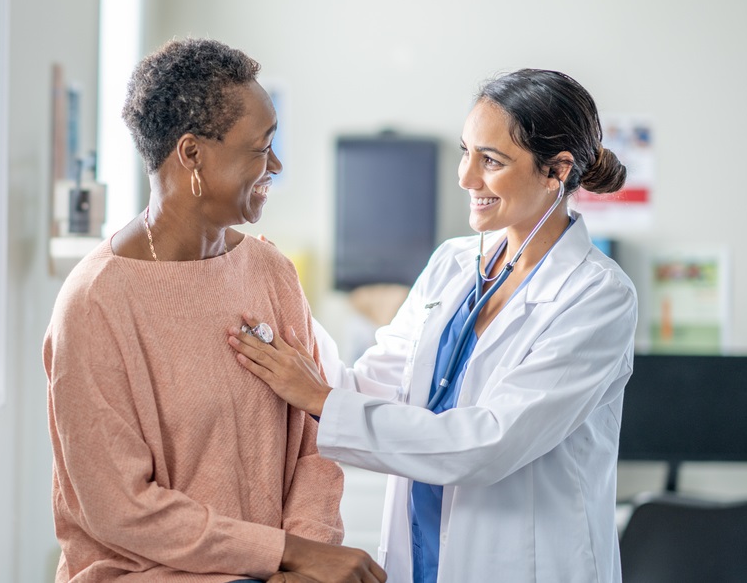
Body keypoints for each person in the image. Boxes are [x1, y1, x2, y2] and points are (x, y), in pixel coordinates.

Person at [228, 69, 638, 582]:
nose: (467, 177)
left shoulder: (597, 295)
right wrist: (286, 298)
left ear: (556, 171)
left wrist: (320, 401)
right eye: (467, 152)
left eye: (491, 161)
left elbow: (489, 443)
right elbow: (366, 386)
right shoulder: (453, 264)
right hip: (423, 557)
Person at [44, 38, 386, 583]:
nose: (275, 163)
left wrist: (305, 556)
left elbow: (312, 446)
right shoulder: (95, 304)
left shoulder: (271, 272)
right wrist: (284, 553)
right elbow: (122, 507)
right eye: (260, 147)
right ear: (192, 155)